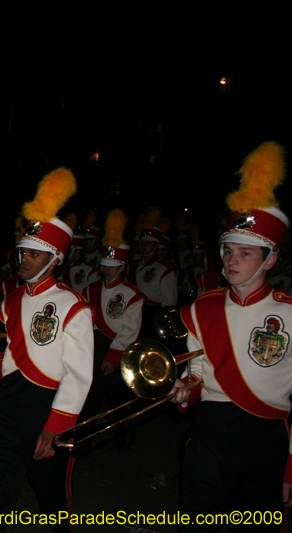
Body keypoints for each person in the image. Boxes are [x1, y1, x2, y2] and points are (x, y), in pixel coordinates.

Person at [170, 142, 292, 532]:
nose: (233, 261)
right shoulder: (202, 308)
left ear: (270, 259)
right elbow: (198, 371)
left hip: (266, 437)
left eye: (246, 254)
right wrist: (185, 389)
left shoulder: (289, 312)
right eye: (228, 252)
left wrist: (290, 467)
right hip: (209, 430)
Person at [0, 168, 93, 533]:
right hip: (8, 402)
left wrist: (55, 427)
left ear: (55, 259)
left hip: (47, 405)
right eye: (23, 252)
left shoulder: (74, 307)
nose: (24, 260)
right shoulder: (11, 301)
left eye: (35, 254)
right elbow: (18, 354)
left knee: (51, 494)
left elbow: (78, 375)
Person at [81, 209, 144, 450]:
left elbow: (131, 329)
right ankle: (84, 439)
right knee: (89, 394)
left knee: (117, 397)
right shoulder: (92, 288)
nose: (106, 269)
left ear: (121, 266)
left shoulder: (132, 294)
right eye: (105, 265)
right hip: (94, 344)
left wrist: (115, 354)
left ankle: (125, 440)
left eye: (111, 266)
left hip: (115, 345)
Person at [127, 207, 177, 341]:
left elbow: (169, 304)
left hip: (150, 317)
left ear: (156, 245)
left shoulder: (165, 270)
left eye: (149, 242)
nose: (144, 245)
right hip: (131, 315)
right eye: (142, 242)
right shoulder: (132, 265)